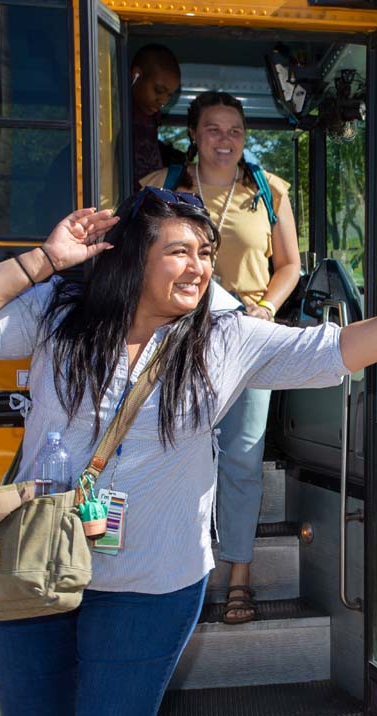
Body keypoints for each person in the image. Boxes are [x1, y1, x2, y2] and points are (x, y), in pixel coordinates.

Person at [0, 193, 377, 716]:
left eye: (205, 252)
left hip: (151, 583)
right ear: (130, 259)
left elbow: (337, 350)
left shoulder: (223, 337)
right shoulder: (61, 312)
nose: (198, 266)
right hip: (38, 565)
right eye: (178, 251)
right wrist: (45, 259)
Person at [140, 91, 303, 623]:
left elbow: (290, 268)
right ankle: (165, 569)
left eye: (234, 130)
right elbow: (132, 261)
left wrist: (267, 307)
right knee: (168, 448)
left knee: (243, 455)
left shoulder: (268, 190)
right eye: (213, 129)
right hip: (174, 339)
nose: (225, 139)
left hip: (246, 341)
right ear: (194, 134)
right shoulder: (160, 188)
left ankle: (239, 575)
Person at [130, 44, 184, 186]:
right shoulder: (116, 113)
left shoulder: (154, 120)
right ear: (136, 75)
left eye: (169, 95)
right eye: (159, 90)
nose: (164, 101)